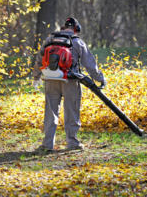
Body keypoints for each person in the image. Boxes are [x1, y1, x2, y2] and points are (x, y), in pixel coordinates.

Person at [33, 17, 106, 151]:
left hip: (50, 79)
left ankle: (47, 144)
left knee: (50, 112)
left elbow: (39, 59)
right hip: (70, 81)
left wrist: (36, 77)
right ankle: (72, 143)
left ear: (63, 27)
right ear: (76, 29)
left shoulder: (50, 39)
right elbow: (90, 64)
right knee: (71, 111)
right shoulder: (77, 41)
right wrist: (100, 78)